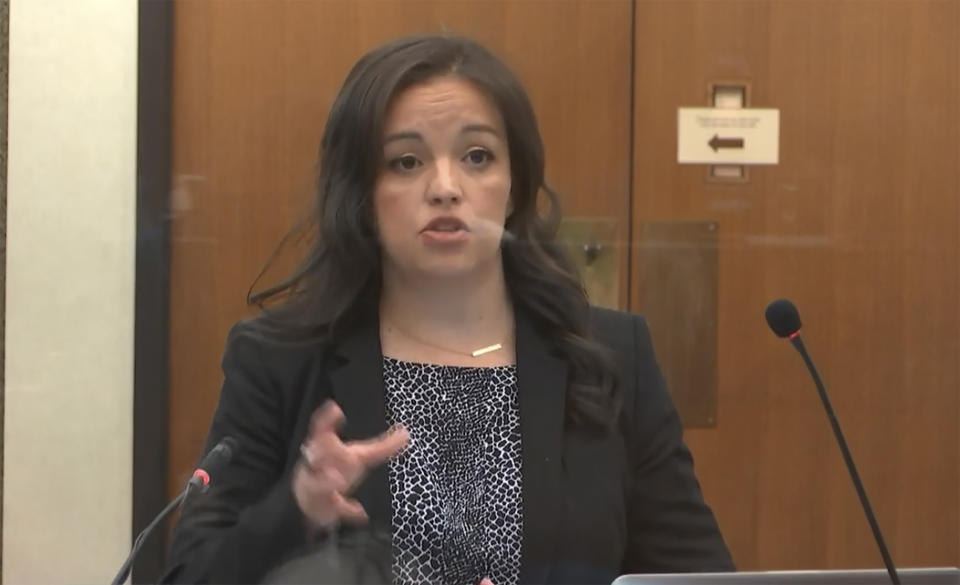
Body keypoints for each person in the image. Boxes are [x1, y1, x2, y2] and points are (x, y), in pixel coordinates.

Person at [161, 33, 734, 585]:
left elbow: (696, 577)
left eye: (477, 156)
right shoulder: (281, 359)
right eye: (405, 162)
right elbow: (190, 576)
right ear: (360, 193)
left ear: (514, 186)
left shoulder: (608, 357)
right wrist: (299, 508)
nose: (445, 186)